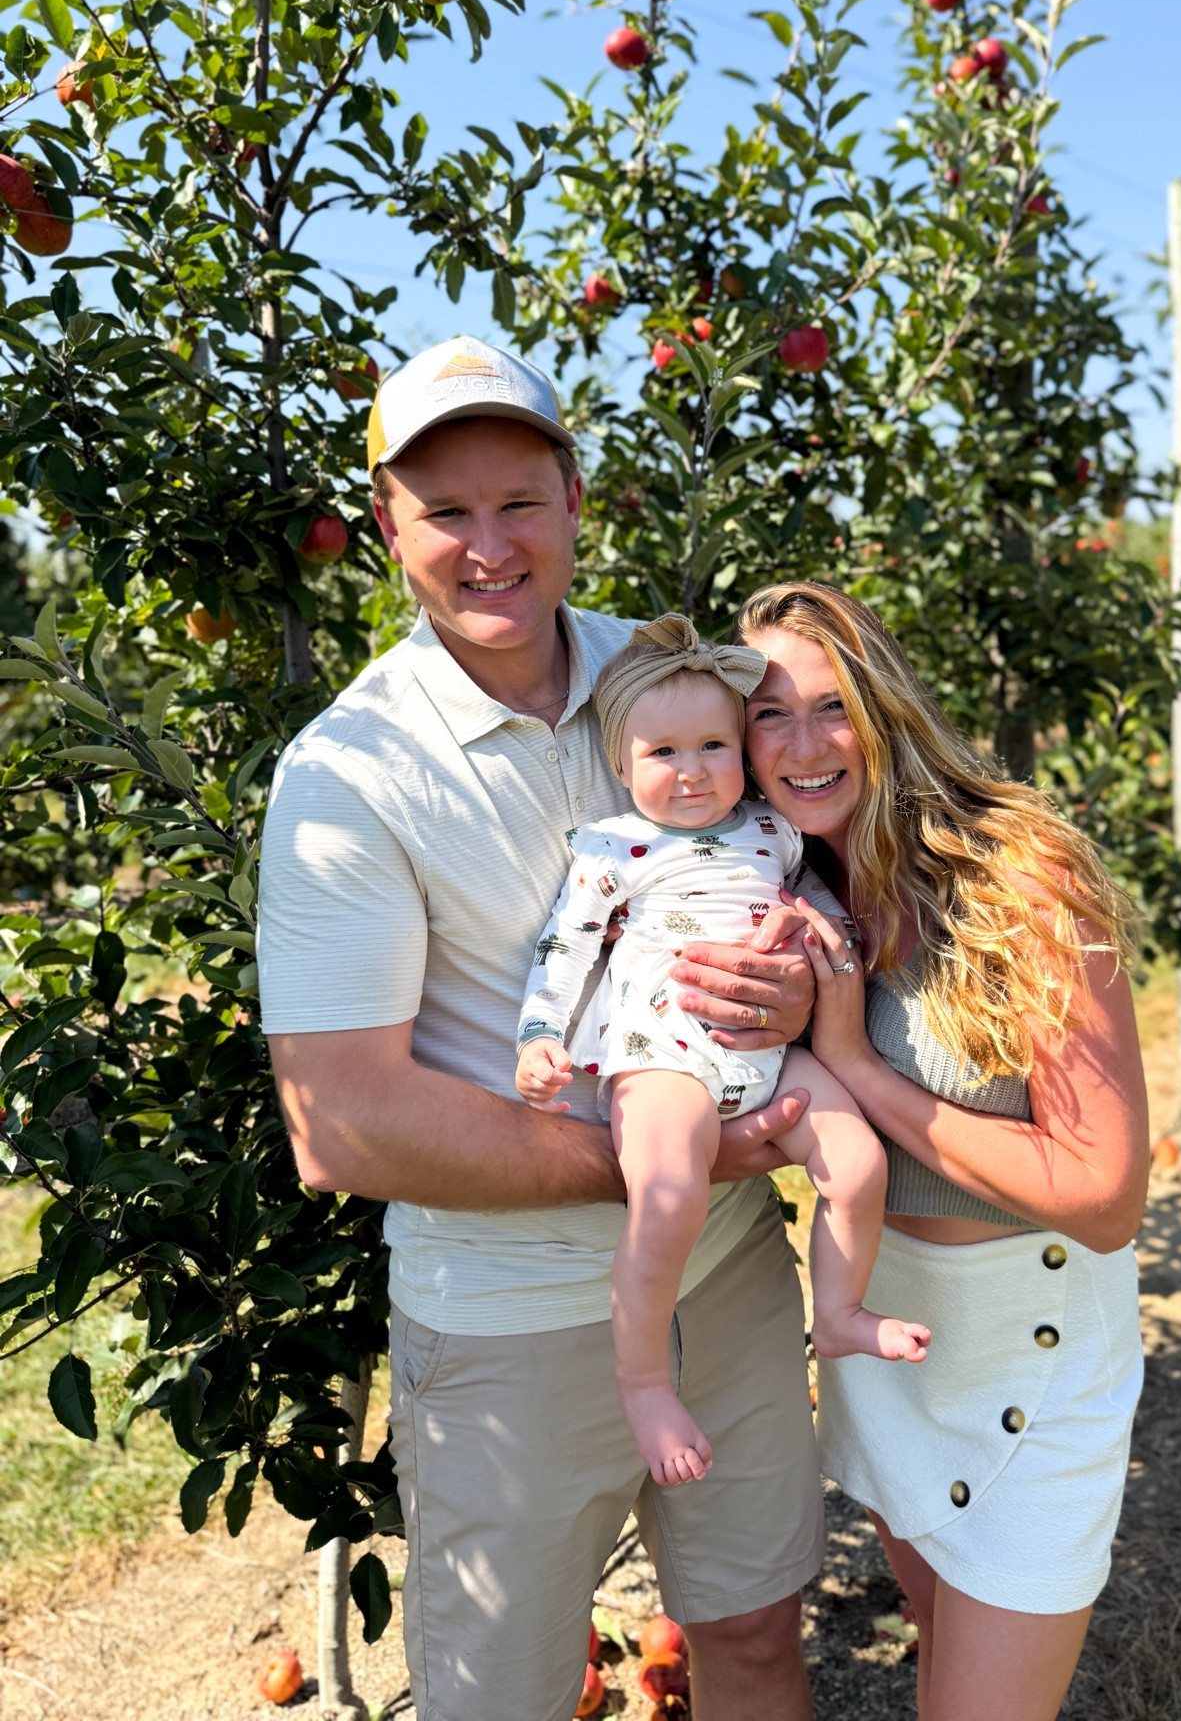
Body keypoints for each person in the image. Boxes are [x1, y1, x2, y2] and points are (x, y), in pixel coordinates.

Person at [257, 338, 825, 1721]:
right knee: (501, 1697)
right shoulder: (350, 774)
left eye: (519, 500)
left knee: (754, 1631)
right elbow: (343, 1124)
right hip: (509, 1324)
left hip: (727, 1275)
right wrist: (674, 1162)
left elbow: (809, 848)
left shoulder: (672, 679)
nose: (489, 544)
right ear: (386, 522)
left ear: (576, 497)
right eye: (446, 510)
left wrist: (804, 988)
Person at [736, 581, 1150, 1721]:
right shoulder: (785, 882)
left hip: (1037, 1349)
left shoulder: (1017, 877)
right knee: (942, 1661)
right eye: (770, 715)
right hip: (894, 1343)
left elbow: (1104, 1196)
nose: (805, 745)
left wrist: (857, 1066)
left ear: (885, 709)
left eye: (834, 706)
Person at [515, 614, 929, 1486]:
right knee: (667, 1198)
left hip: (769, 1058)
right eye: (663, 753)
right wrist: (541, 1035)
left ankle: (841, 1311)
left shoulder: (772, 830)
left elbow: (816, 899)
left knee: (857, 1163)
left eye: (713, 745)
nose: (693, 770)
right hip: (662, 1056)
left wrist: (823, 933)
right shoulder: (613, 847)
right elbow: (567, 945)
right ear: (621, 763)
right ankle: (644, 1385)